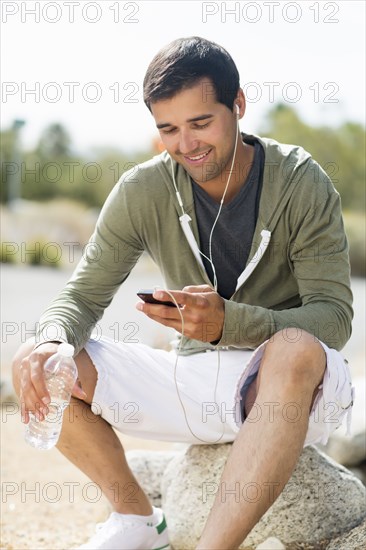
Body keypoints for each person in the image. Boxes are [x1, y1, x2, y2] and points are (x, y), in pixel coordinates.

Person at [12, 36, 354, 550]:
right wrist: (51, 339)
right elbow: (82, 296)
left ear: (237, 104)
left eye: (200, 123)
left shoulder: (302, 181)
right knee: (39, 358)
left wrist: (230, 323)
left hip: (287, 389)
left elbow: (335, 319)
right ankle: (137, 520)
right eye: (168, 129)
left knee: (296, 349)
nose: (186, 145)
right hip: (191, 380)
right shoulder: (142, 190)